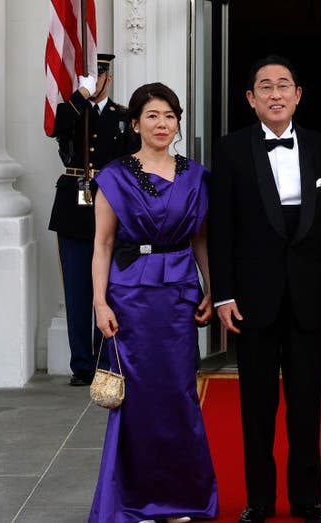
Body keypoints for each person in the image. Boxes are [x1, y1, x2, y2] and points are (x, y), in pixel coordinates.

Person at [208, 55, 321, 523]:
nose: (275, 94)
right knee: (256, 407)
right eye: (265, 87)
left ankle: (308, 499)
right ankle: (260, 501)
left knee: (307, 406)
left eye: (283, 86)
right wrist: (224, 293)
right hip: (253, 299)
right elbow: (222, 228)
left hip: (311, 297)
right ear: (250, 99)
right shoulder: (229, 150)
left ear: (298, 96)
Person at [89, 82, 217, 522]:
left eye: (169, 116)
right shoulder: (114, 175)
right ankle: (136, 501)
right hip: (130, 299)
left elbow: (201, 239)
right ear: (135, 123)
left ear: (178, 123)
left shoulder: (197, 175)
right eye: (152, 116)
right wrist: (100, 304)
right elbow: (102, 246)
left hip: (179, 294)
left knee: (179, 395)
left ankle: (179, 499)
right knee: (138, 399)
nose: (161, 124)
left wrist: (211, 288)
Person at [47, 53, 136, 386]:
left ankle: (105, 359)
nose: (94, 82)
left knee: (110, 288)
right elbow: (56, 129)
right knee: (77, 289)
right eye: (88, 77)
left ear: (108, 79)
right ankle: (81, 364)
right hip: (73, 208)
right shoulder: (71, 110)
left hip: (112, 205)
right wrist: (81, 96)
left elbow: (132, 162)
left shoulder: (124, 116)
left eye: (99, 77)